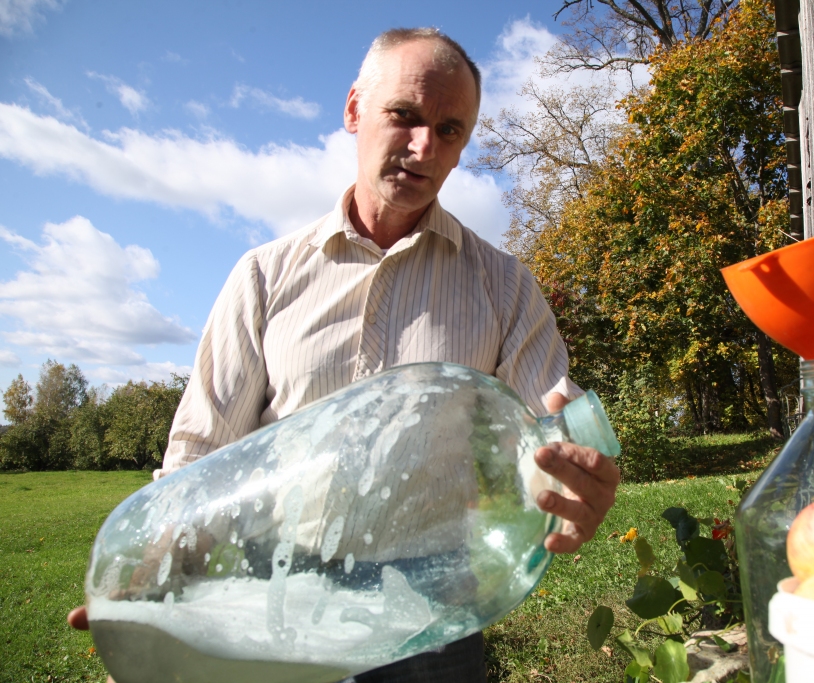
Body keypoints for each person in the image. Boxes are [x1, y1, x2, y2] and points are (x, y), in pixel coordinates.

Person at [68, 27, 620, 683]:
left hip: (430, 615)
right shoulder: (264, 276)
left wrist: (576, 474)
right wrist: (148, 580)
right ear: (355, 109)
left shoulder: (503, 286)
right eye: (405, 115)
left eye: (449, 130)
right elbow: (201, 449)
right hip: (271, 601)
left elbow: (552, 421)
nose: (424, 147)